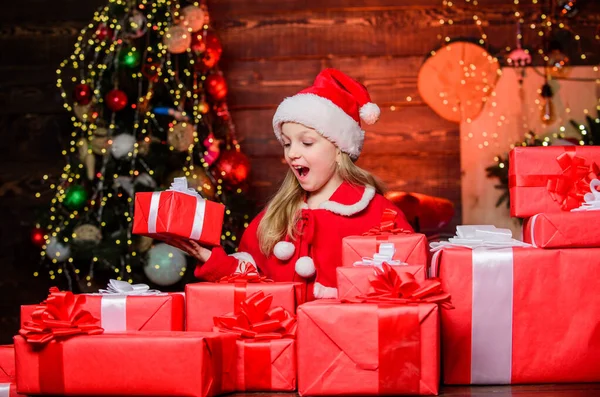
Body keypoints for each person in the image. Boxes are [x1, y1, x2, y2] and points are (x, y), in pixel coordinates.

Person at [169, 68, 413, 300]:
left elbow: (404, 287)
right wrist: (211, 259)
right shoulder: (274, 216)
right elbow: (250, 285)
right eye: (287, 144)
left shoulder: (381, 216)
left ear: (340, 149)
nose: (292, 154)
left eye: (306, 143)